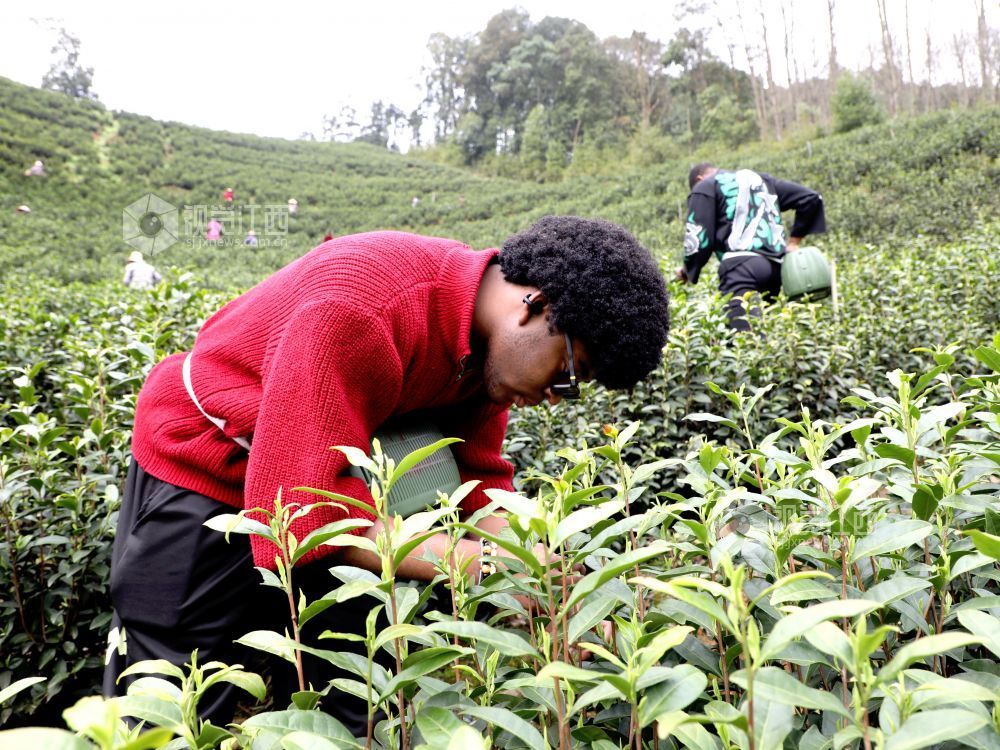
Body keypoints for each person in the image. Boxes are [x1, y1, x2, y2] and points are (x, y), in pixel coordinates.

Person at [103, 216, 670, 734]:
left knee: (363, 701)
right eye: (570, 374)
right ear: (535, 307)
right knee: (172, 698)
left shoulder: (489, 356)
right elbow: (299, 519)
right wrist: (475, 562)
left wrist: (546, 574)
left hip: (336, 484)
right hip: (209, 464)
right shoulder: (360, 306)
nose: (554, 397)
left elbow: (479, 482)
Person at [677, 163, 826, 330]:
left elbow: (698, 239)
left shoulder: (705, 186)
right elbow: (811, 198)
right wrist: (793, 242)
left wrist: (687, 270)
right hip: (776, 269)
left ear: (699, 178)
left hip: (741, 267)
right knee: (771, 332)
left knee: (743, 336)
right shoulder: (762, 181)